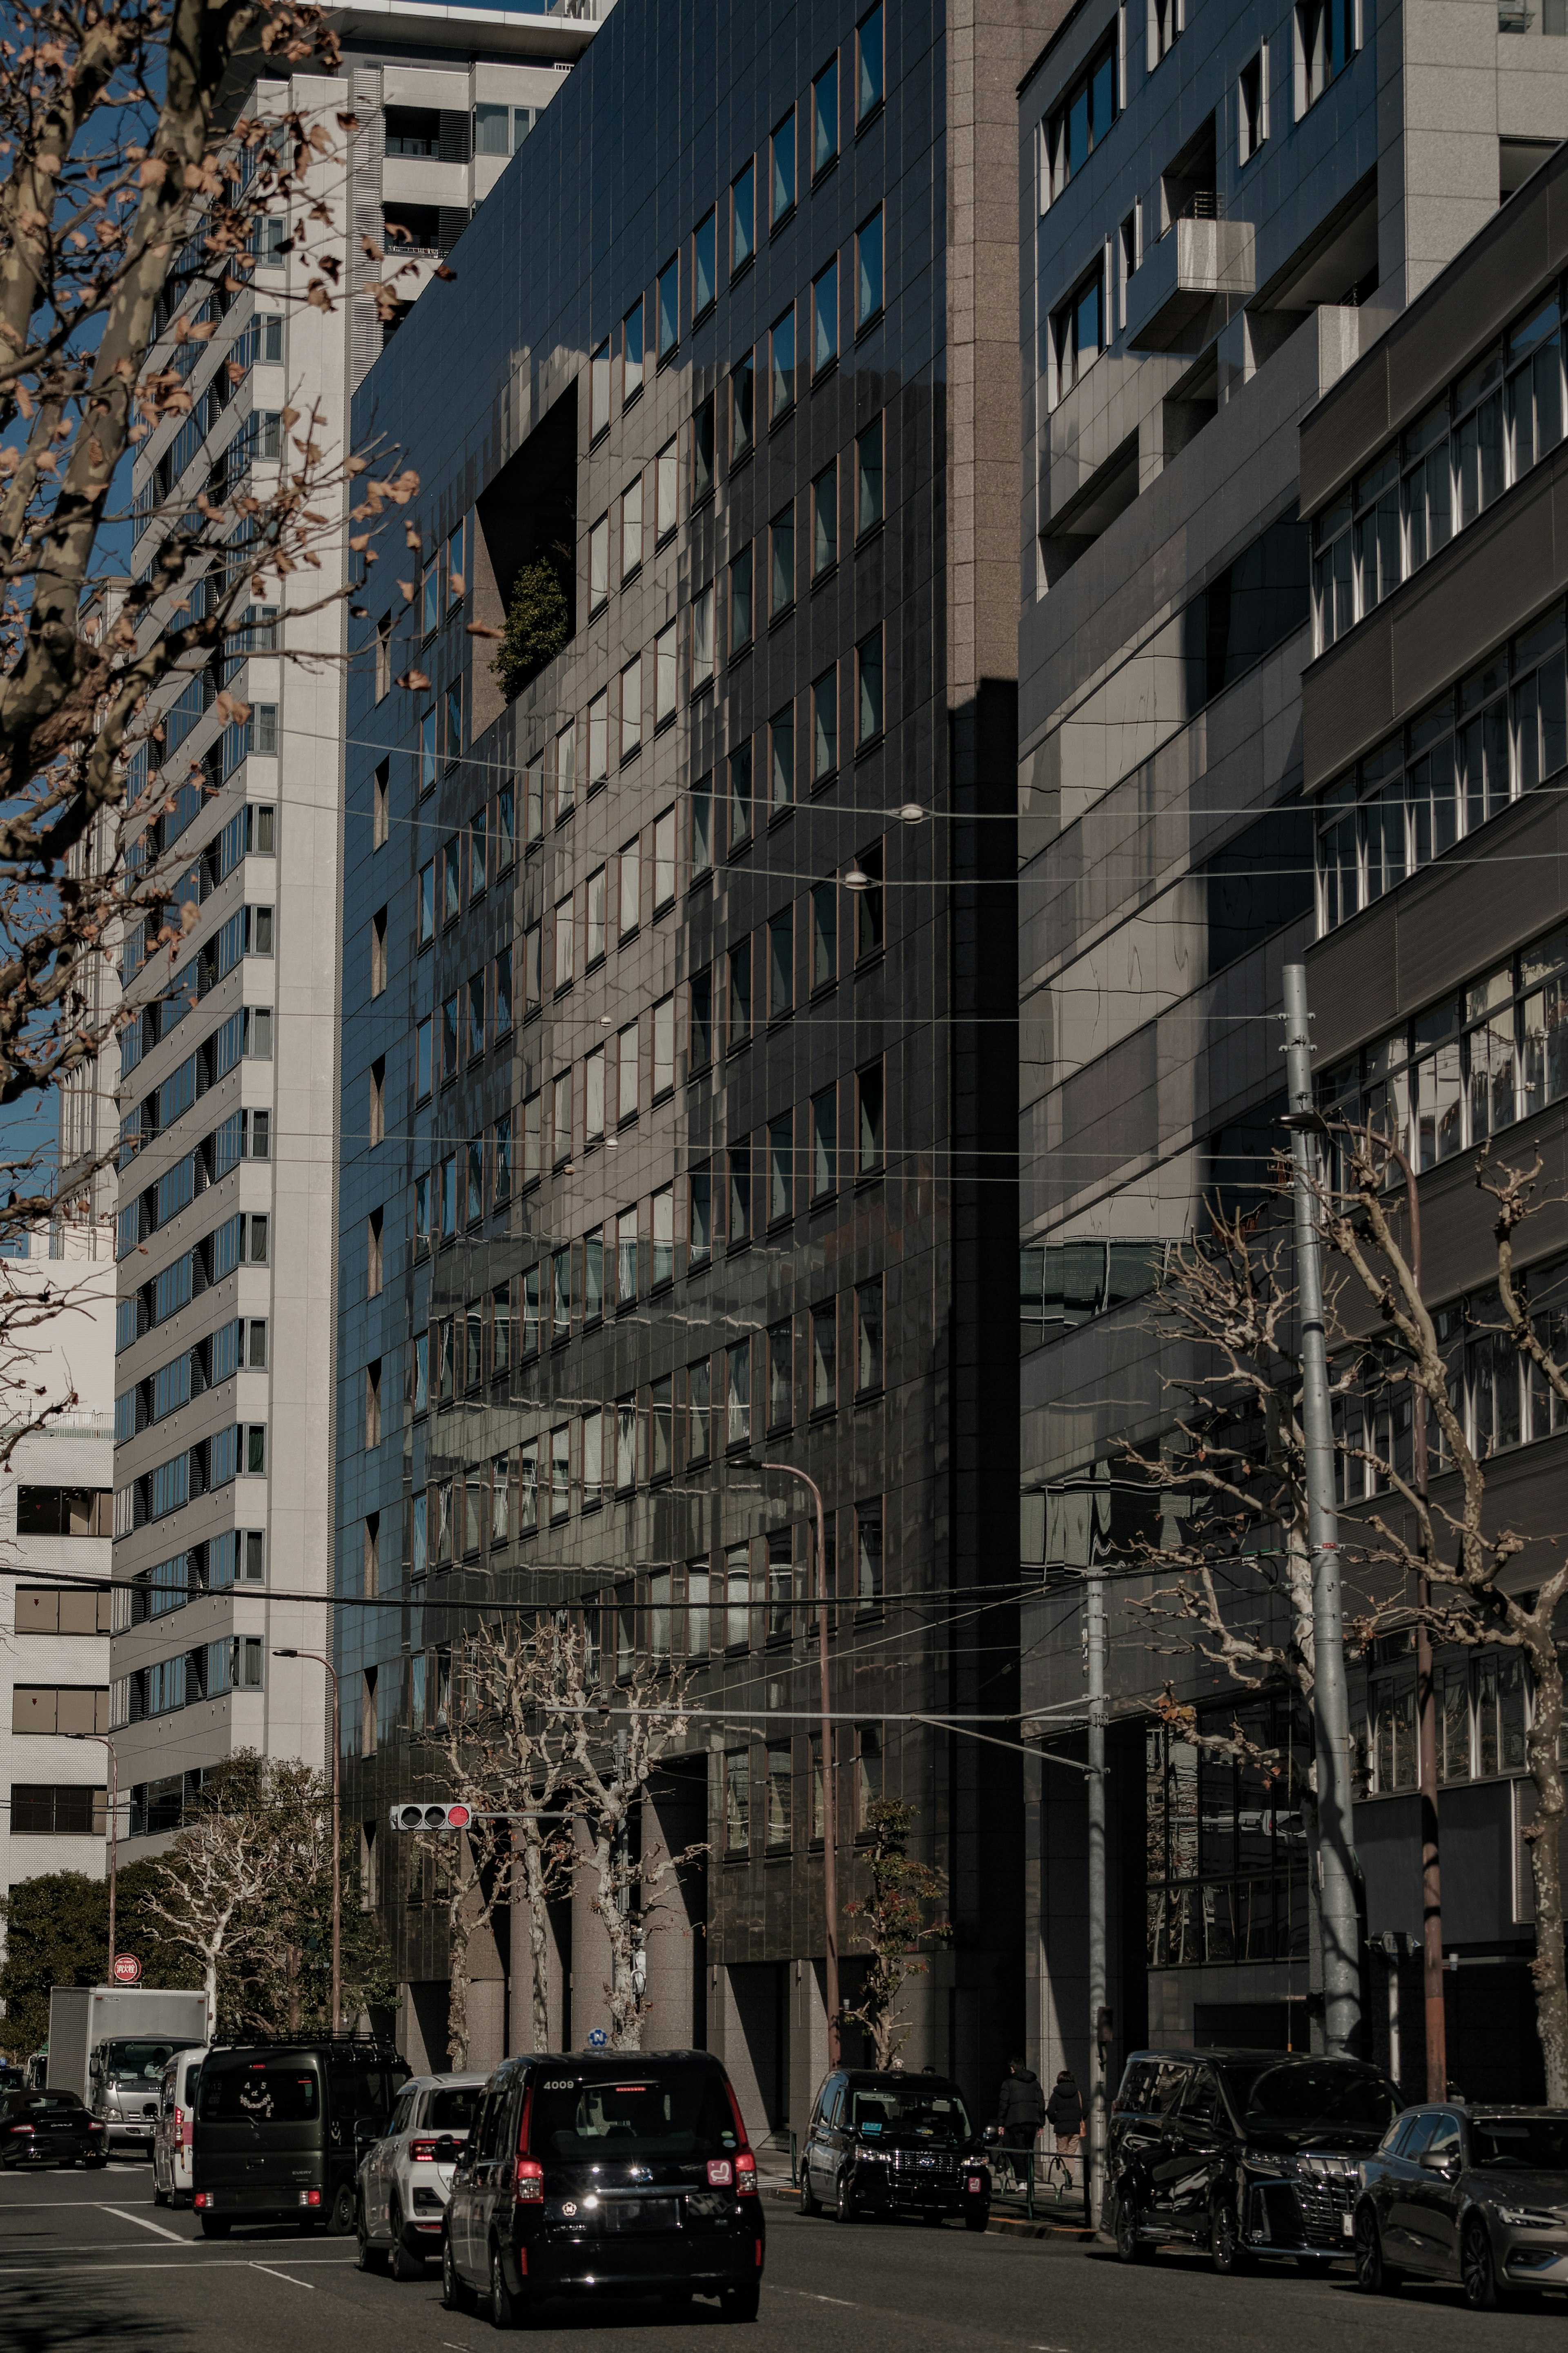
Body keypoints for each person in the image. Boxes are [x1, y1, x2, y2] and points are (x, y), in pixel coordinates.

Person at [993, 2058, 1045, 2192]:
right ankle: (1030, 2182)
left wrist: (1001, 2124)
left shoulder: (1009, 2083)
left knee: (1018, 2152)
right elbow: (1041, 2104)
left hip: (1015, 2122)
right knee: (1029, 2151)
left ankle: (1022, 2183)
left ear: (1012, 2069)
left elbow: (1003, 2105)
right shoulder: (1035, 2083)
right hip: (1032, 2122)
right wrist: (1041, 2124)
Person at [1046, 2069, 1085, 2197]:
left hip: (1062, 2128)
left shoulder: (1056, 2094)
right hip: (1075, 2127)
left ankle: (1066, 2173)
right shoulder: (1078, 2093)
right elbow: (1086, 2109)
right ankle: (1071, 2176)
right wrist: (1078, 2118)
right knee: (1071, 2154)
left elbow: (1050, 2111)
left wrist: (1056, 2120)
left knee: (1062, 2152)